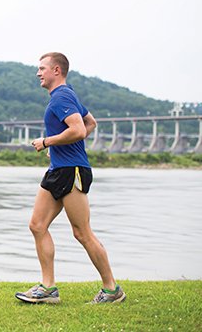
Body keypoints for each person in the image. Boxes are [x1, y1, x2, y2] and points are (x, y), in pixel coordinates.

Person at [15, 52, 126, 304]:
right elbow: (91, 123)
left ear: (57, 70)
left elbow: (78, 128)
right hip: (59, 168)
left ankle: (112, 290)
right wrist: (59, 148)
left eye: (42, 68)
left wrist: (47, 142)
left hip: (72, 170)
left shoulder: (63, 96)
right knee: (37, 225)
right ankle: (48, 288)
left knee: (82, 232)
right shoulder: (66, 95)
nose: (38, 73)